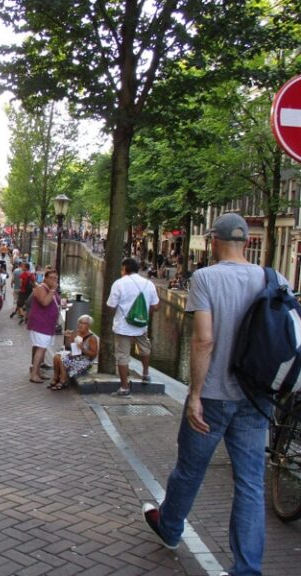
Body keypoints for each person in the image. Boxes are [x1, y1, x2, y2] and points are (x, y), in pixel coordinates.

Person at [141, 212, 280, 576]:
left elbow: (204, 339)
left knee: (190, 470)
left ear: (213, 241)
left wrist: (196, 394)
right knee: (250, 483)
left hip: (215, 395)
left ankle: (170, 528)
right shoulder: (273, 277)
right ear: (248, 242)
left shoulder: (204, 278)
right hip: (256, 397)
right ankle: (247, 569)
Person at [106, 256, 160, 395]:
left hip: (123, 326)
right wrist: (144, 312)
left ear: (124, 269)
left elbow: (111, 306)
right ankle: (146, 374)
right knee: (144, 348)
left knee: (122, 355)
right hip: (141, 324)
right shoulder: (149, 284)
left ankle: (124, 387)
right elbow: (156, 306)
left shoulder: (119, 283)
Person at [27, 269, 60, 383]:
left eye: (55, 278)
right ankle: (34, 374)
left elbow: (52, 302)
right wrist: (53, 290)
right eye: (51, 278)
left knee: (39, 347)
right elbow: (45, 302)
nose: (54, 280)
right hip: (40, 323)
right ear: (45, 278)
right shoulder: (41, 288)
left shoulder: (50, 290)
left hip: (47, 324)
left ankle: (36, 370)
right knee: (41, 348)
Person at [50, 314, 99, 390]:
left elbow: (94, 354)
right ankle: (56, 378)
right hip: (75, 356)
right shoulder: (76, 333)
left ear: (89, 326)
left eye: (84, 323)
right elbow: (69, 347)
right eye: (80, 322)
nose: (81, 325)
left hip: (84, 360)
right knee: (56, 357)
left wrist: (83, 349)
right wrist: (69, 337)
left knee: (62, 359)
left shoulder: (92, 338)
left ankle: (63, 381)